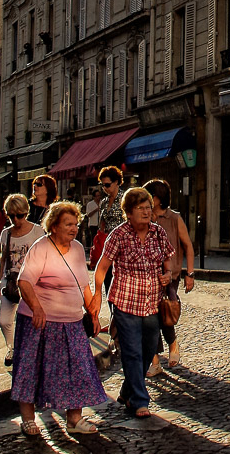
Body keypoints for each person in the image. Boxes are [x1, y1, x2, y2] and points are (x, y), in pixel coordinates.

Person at [12, 201, 108, 436]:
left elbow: (82, 284)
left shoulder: (76, 248)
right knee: (31, 369)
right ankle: (28, 419)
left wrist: (93, 313)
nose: (74, 228)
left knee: (79, 370)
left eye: (76, 224)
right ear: (53, 226)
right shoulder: (41, 247)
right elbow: (24, 282)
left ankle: (74, 420)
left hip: (72, 322)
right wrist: (37, 308)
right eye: (68, 224)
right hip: (40, 322)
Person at [92, 187, 174, 419]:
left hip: (151, 303)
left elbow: (168, 260)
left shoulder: (158, 233)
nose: (146, 212)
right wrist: (97, 293)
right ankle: (140, 400)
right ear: (128, 212)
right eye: (140, 208)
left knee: (149, 350)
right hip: (126, 302)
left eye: (148, 207)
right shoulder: (118, 234)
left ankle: (127, 392)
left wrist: (167, 275)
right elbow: (103, 266)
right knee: (132, 352)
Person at [144, 179, 195, 377]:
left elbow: (188, 246)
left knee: (166, 315)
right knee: (150, 320)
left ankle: (173, 344)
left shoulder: (174, 218)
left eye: (150, 196)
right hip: (148, 275)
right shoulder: (145, 217)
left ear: (157, 198)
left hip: (170, 276)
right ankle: (154, 360)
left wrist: (189, 274)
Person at [0, 193, 45, 367]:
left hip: (32, 281)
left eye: (20, 215)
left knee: (33, 320)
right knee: (4, 320)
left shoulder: (37, 231)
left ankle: (30, 354)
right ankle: (12, 348)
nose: (16, 220)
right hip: (11, 280)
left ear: (26, 213)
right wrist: (0, 281)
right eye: (11, 216)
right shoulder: (6, 233)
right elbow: (3, 257)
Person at [92, 166, 126, 297]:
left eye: (107, 184)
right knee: (107, 282)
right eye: (103, 185)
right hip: (107, 246)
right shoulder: (104, 202)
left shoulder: (125, 199)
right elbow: (102, 224)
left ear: (116, 181)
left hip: (122, 247)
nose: (105, 188)